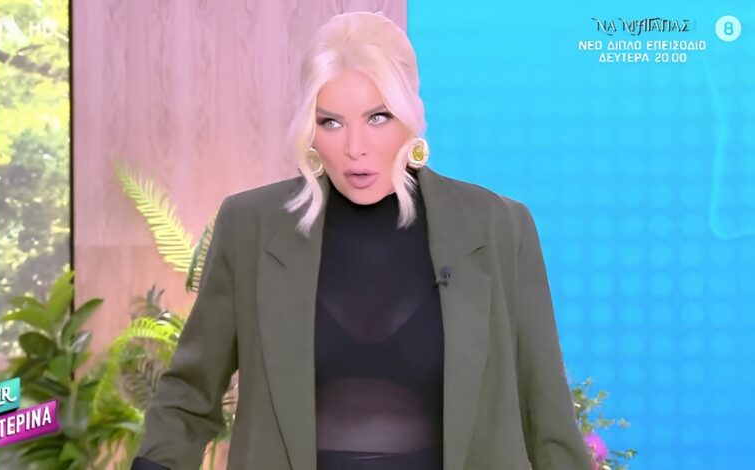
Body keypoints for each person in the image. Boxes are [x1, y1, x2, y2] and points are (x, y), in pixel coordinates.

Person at [131, 11, 591, 470]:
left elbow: (547, 416)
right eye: (331, 122)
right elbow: (189, 397)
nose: (355, 147)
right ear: (310, 129)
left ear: (411, 116)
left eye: (378, 117)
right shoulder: (249, 227)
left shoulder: (499, 227)